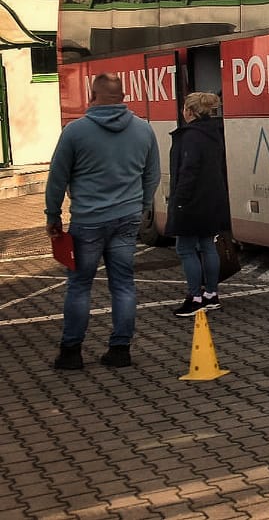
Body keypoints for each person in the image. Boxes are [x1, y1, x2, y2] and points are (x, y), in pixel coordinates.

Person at [45, 73, 160, 370]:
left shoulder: (75, 131)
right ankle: (120, 350)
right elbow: (152, 175)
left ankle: (71, 353)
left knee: (80, 285)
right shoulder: (143, 130)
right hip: (127, 219)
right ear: (123, 97)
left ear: (92, 96)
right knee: (123, 284)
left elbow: (57, 178)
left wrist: (53, 215)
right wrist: (143, 206)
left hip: (88, 222)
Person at [166, 91, 231, 318]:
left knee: (185, 248)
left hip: (192, 202)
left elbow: (188, 172)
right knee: (207, 246)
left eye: (184, 107)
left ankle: (195, 298)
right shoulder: (214, 133)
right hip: (212, 200)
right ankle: (211, 295)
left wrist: (179, 202)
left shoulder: (190, 136)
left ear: (190, 112)